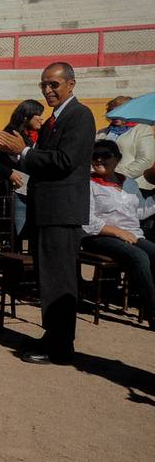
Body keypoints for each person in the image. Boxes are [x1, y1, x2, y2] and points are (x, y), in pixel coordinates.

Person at [0, 62, 95, 365]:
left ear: (71, 84)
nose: (48, 90)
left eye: (54, 84)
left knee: (59, 280)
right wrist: (18, 152)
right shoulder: (56, 119)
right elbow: (45, 161)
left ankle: (61, 347)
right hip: (49, 209)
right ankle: (53, 336)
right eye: (44, 85)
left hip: (62, 211)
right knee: (48, 278)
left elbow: (63, 161)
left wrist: (23, 151)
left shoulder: (80, 116)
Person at [81, 140, 155, 328]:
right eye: (94, 156)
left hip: (132, 234)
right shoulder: (87, 183)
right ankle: (153, 312)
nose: (98, 160)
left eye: (105, 156)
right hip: (99, 236)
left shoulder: (128, 183)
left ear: (117, 159)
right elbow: (87, 220)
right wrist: (117, 231)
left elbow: (137, 213)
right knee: (139, 257)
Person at [0, 99, 44, 238]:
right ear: (26, 116)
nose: (41, 119)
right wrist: (9, 173)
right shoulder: (9, 134)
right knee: (14, 234)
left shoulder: (30, 135)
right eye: (38, 115)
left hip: (27, 190)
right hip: (14, 191)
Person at [96, 96, 155, 180]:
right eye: (113, 111)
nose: (116, 115)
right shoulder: (101, 133)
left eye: (120, 112)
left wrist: (118, 175)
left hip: (132, 182)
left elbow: (146, 160)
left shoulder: (142, 129)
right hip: (102, 182)